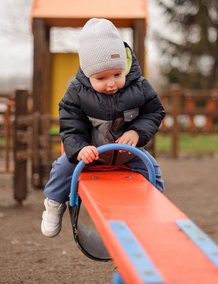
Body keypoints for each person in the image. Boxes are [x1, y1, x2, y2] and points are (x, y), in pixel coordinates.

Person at [41, 18, 166, 238]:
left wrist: (136, 132)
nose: (111, 83)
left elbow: (154, 112)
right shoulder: (77, 92)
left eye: (117, 75)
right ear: (88, 75)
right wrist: (80, 148)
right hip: (91, 154)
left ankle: (152, 211)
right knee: (61, 168)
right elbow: (70, 124)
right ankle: (53, 203)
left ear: (124, 66)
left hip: (128, 153)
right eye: (101, 78)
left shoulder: (139, 86)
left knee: (152, 170)